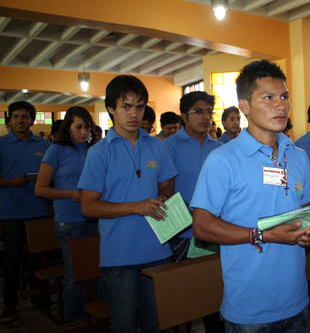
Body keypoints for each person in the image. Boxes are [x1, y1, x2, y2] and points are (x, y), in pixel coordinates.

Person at [191, 60, 310, 333]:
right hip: (250, 307)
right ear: (245, 107)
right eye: (269, 97)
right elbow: (202, 226)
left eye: (284, 97)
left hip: (296, 298)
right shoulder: (223, 160)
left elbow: (309, 204)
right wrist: (262, 235)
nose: (281, 105)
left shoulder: (297, 155)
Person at [78, 75, 177, 333]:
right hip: (119, 254)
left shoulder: (157, 146)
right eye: (126, 106)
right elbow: (88, 207)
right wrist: (136, 206)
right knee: (124, 324)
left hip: (158, 249)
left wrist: (163, 198)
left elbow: (167, 185)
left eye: (140, 106)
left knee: (156, 322)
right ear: (111, 108)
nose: (134, 113)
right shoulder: (99, 152)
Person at [34, 106, 98, 322]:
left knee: (97, 271)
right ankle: (75, 321)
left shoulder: (91, 150)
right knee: (75, 275)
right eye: (78, 127)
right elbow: (40, 188)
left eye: (87, 127)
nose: (83, 132)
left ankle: (95, 316)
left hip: (94, 217)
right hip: (70, 220)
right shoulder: (56, 150)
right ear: (68, 128)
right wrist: (70, 194)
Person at [0, 101, 50, 323]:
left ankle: (40, 303)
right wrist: (11, 182)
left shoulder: (44, 145)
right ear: (9, 120)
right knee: (11, 262)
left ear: (32, 119)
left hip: (38, 211)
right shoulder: (1, 145)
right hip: (10, 214)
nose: (21, 120)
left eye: (25, 116)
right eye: (16, 116)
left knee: (38, 262)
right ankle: (10, 307)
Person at [164, 91, 221, 261]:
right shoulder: (168, 146)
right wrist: (191, 213)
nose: (205, 117)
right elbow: (165, 189)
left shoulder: (219, 149)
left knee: (212, 281)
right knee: (182, 283)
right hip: (181, 231)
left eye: (209, 111)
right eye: (198, 111)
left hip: (214, 229)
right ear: (183, 116)